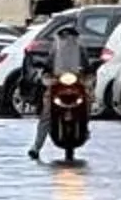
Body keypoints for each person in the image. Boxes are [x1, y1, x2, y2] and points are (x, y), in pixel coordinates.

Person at [27, 17, 86, 160]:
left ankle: (85, 127)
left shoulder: (80, 48)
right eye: (64, 36)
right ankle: (36, 147)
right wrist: (46, 70)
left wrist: (87, 70)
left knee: (87, 101)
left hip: (74, 80)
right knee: (46, 112)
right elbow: (48, 62)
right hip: (58, 81)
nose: (67, 39)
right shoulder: (55, 48)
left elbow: (86, 62)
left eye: (70, 36)